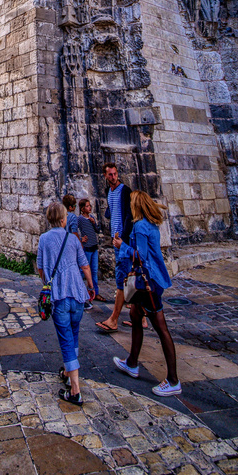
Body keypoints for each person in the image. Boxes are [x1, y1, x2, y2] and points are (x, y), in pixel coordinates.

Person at [113, 191, 181, 396]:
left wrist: (121, 246)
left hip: (147, 282)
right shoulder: (151, 225)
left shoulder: (141, 227)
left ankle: (173, 380)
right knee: (135, 315)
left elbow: (140, 256)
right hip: (150, 280)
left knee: (161, 328)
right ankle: (132, 362)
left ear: (137, 205)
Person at [37, 200, 95, 406]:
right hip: (78, 296)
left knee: (66, 340)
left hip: (60, 296)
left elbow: (41, 270)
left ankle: (75, 389)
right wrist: (90, 286)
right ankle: (68, 372)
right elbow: (85, 266)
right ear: (63, 220)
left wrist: (47, 284)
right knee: (74, 333)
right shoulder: (72, 239)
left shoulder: (43, 239)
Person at [96, 163, 133, 335]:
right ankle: (140, 318)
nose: (113, 177)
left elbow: (129, 215)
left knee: (121, 278)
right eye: (110, 175)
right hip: (116, 238)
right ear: (105, 175)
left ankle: (113, 320)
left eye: (115, 174)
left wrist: (122, 238)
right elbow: (112, 211)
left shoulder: (125, 190)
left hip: (123, 241)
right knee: (130, 277)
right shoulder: (108, 192)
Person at [77, 198, 102, 308]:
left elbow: (97, 230)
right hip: (86, 248)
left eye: (89, 206)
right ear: (82, 209)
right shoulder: (80, 219)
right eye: (87, 206)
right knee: (84, 271)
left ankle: (95, 292)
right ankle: (82, 291)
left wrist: (94, 223)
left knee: (94, 270)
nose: (90, 208)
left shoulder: (91, 218)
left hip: (94, 247)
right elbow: (74, 229)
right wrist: (80, 239)